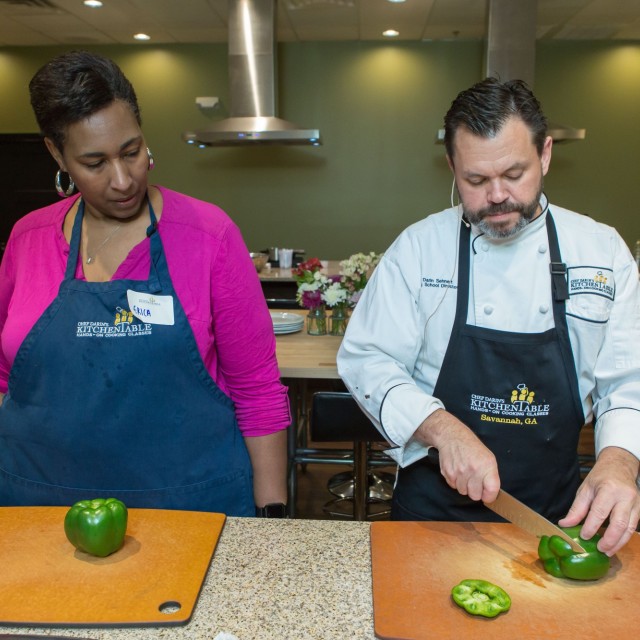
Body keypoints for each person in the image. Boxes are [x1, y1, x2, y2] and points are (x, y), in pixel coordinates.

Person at [337, 77, 640, 555]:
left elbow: (627, 382)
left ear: (545, 154)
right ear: (452, 168)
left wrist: (620, 461)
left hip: (556, 516)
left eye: (514, 173)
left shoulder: (601, 252)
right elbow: (366, 360)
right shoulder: (418, 249)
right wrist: (443, 429)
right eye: (475, 181)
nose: (497, 196)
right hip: (432, 512)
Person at [0, 51, 290, 518]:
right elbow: (4, 376)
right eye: (94, 162)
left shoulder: (208, 235)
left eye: (131, 151)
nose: (122, 180)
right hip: (38, 505)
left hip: (187, 507)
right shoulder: (27, 238)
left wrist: (272, 516)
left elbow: (257, 390)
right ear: (57, 154)